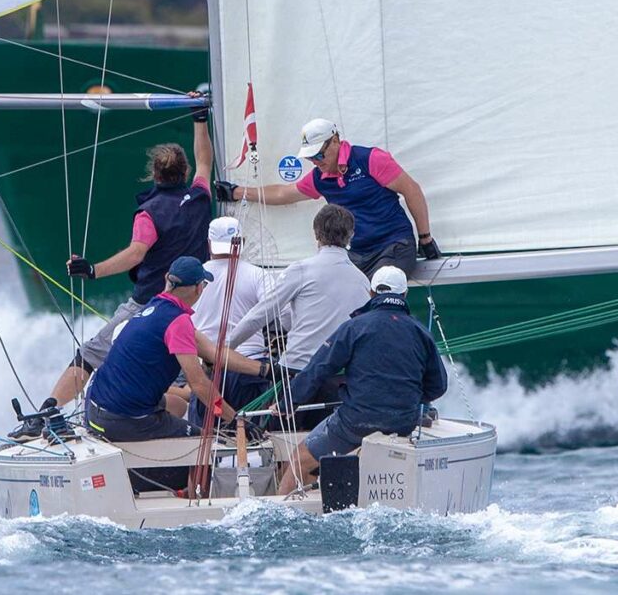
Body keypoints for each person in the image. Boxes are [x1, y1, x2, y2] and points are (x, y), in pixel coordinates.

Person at [9, 96, 213, 441]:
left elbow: (136, 254)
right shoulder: (199, 197)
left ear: (154, 174)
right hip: (196, 306)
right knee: (180, 375)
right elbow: (205, 161)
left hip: (149, 307)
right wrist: (199, 119)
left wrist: (92, 270)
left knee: (88, 356)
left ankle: (45, 415)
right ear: (186, 173)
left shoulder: (151, 212)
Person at [272, 265, 448, 495]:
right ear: (404, 295)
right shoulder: (420, 332)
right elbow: (439, 386)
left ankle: (284, 509)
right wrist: (407, 397)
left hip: (355, 422)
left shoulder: (354, 327)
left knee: (299, 460)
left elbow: (318, 369)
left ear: (372, 293)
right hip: (403, 422)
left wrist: (287, 404)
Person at [214, 118, 441, 278]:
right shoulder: (321, 177)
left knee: (378, 298)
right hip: (356, 254)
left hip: (393, 245)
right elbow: (285, 193)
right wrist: (236, 192)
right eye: (311, 157)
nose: (316, 161)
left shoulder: (370, 159)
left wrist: (425, 238)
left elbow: (412, 190)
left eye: (319, 154)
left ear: (335, 141)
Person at [84, 256, 268, 442]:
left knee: (178, 406)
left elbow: (214, 352)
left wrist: (264, 370)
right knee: (209, 440)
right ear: (198, 288)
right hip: (124, 419)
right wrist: (235, 420)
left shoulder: (156, 306)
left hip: (94, 410)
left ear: (167, 279)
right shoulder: (178, 322)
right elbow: (199, 385)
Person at [227, 204, 370, 429]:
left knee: (278, 446)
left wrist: (226, 346)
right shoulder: (362, 281)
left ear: (316, 234)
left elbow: (260, 314)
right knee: (327, 452)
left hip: (296, 373)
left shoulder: (301, 270)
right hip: (338, 378)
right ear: (350, 235)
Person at [185, 216, 273, 424]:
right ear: (241, 242)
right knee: (250, 435)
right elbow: (281, 312)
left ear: (208, 244)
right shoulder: (258, 275)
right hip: (249, 370)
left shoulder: (193, 279)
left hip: (208, 375)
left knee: (205, 440)